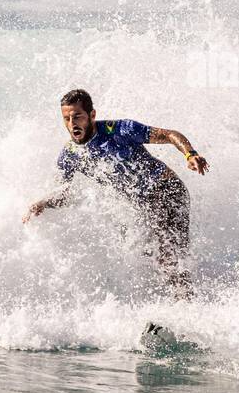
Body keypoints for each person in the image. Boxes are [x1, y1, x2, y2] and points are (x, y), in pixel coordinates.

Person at [23, 88, 208, 297]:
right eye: (66, 119)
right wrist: (43, 203)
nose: (72, 124)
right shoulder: (71, 154)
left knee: (168, 258)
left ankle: (186, 309)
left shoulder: (119, 130)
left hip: (168, 192)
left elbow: (169, 135)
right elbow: (63, 194)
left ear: (92, 115)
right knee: (147, 256)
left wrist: (190, 154)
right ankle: (177, 305)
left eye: (77, 117)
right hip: (144, 207)